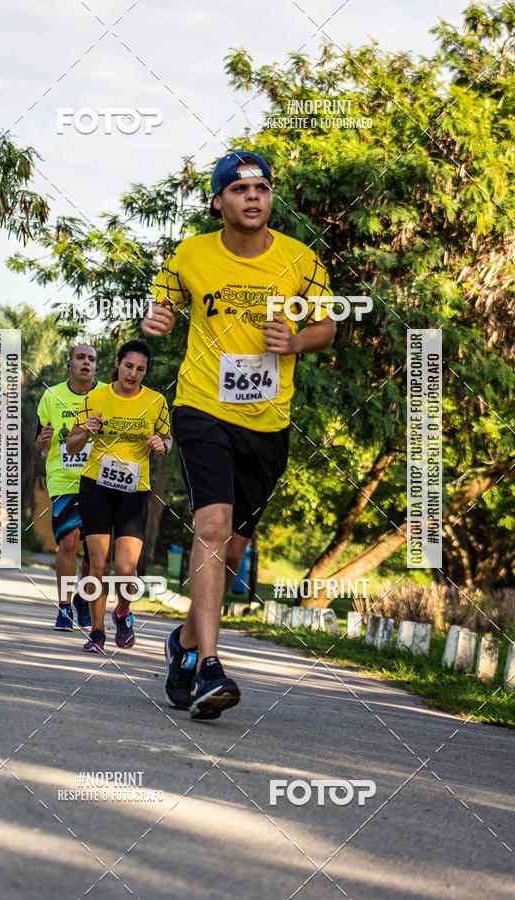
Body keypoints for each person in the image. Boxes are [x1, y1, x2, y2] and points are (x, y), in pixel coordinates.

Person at [142, 150, 336, 720]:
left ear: (270, 198)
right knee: (212, 523)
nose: (253, 196)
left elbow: (326, 325)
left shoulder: (301, 262)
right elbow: (164, 307)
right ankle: (209, 666)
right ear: (218, 201)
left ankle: (181, 642)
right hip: (202, 405)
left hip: (268, 421)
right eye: (239, 188)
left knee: (231, 552)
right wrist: (157, 321)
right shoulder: (190, 255)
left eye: (262, 188)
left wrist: (297, 341)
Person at [66, 339, 172, 653]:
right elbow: (72, 444)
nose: (133, 374)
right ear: (116, 363)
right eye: (129, 366)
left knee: (127, 568)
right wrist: (86, 430)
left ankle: (123, 612)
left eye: (141, 369)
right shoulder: (96, 397)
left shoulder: (156, 401)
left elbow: (167, 442)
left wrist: (160, 445)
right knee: (99, 563)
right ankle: (97, 632)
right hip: (96, 486)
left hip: (133, 492)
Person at [36, 344, 104, 630]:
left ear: (96, 368)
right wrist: (42, 441)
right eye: (80, 358)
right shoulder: (51, 396)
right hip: (63, 478)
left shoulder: (107, 395)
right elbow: (41, 437)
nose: (85, 363)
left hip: (100, 478)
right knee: (69, 540)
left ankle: (82, 599)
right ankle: (64, 608)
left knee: (94, 549)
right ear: (70, 364)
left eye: (91, 359)